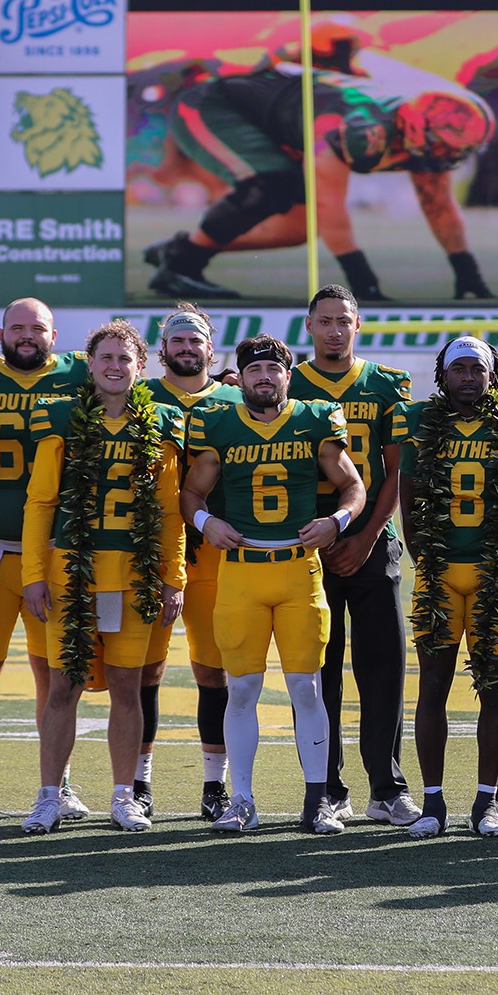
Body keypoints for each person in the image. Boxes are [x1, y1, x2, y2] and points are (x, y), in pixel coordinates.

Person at [183, 335, 366, 835]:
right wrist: (205, 522)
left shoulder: (314, 418)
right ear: (240, 377)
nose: (264, 377)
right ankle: (242, 800)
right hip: (240, 569)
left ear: (288, 375)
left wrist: (337, 521)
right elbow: (191, 492)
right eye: (254, 369)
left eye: (273, 369)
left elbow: (353, 485)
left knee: (306, 688)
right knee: (241, 689)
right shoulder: (217, 422)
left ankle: (318, 800)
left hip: (298, 569)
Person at [142, 53, 495, 302]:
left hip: (278, 123)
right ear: (417, 132)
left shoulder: (421, 132)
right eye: (444, 148)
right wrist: (363, 282)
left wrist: (467, 271)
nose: (450, 157)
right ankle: (181, 267)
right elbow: (329, 205)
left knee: (297, 228)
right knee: (272, 183)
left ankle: (182, 250)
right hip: (214, 106)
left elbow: (438, 204)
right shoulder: (359, 128)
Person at [19, 322, 186, 833]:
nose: (115, 366)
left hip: (133, 574)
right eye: (106, 357)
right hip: (72, 573)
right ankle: (50, 795)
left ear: (140, 367)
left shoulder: (160, 422)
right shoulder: (63, 418)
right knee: (62, 686)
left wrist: (173, 577)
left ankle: (123, 795)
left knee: (127, 687)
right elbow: (40, 503)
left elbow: (170, 512)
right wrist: (33, 574)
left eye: (124, 358)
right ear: (89, 364)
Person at [0, 298, 92, 823]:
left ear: (55, 334)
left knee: (54, 675)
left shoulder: (80, 372)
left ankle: (59, 784)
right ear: (1, 333)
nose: (28, 336)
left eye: (38, 328)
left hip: (55, 553)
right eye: (18, 328)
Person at [392, 337, 498, 837]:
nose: (468, 378)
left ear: (493, 376)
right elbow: (408, 500)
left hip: (492, 572)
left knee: (495, 685)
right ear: (443, 375)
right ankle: (433, 803)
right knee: (433, 684)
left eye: (477, 369)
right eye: (458, 369)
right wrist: (425, 560)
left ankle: (486, 804)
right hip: (439, 572)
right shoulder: (420, 421)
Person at [287, 285, 419, 826]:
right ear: (309, 326)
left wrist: (365, 538)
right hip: (304, 546)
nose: (335, 330)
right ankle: (328, 787)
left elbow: (396, 472)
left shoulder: (385, 383)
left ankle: (386, 788)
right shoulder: (289, 382)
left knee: (383, 666)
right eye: (325, 320)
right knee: (317, 671)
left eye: (343, 320)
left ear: (357, 325)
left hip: (371, 542)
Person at [140, 305, 244, 821]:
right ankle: (138, 780)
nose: (186, 348)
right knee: (144, 669)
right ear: (163, 349)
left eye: (195, 340)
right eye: (177, 340)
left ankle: (214, 784)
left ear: (210, 347)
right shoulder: (140, 397)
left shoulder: (234, 399)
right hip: (148, 551)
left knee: (213, 670)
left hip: (214, 550)